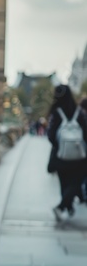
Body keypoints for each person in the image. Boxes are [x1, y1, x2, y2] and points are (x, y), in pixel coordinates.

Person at [46, 85, 87, 221]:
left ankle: (64, 205)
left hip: (61, 156)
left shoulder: (56, 112)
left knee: (64, 183)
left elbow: (51, 134)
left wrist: (59, 145)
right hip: (79, 155)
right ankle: (64, 206)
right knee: (76, 182)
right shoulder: (79, 112)